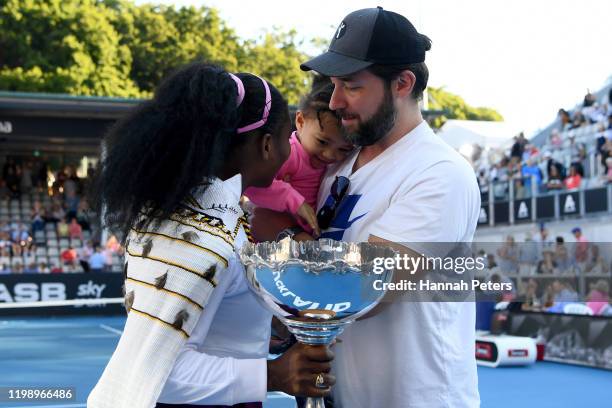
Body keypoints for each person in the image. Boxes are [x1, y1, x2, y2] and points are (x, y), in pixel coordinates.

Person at [87, 63, 334, 408]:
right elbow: (159, 373)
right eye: (283, 140)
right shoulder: (203, 237)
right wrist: (274, 375)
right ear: (266, 145)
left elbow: (220, 323)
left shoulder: (197, 214)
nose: (288, 151)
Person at [300, 7, 480, 407]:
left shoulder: (439, 172)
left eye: (351, 85)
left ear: (402, 82)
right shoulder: (339, 163)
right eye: (333, 85)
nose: (335, 101)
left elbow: (365, 289)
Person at [245, 75, 353, 239]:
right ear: (301, 121)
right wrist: (292, 199)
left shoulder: (329, 164)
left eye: (344, 149)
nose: (331, 155)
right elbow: (250, 183)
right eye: (322, 142)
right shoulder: (289, 154)